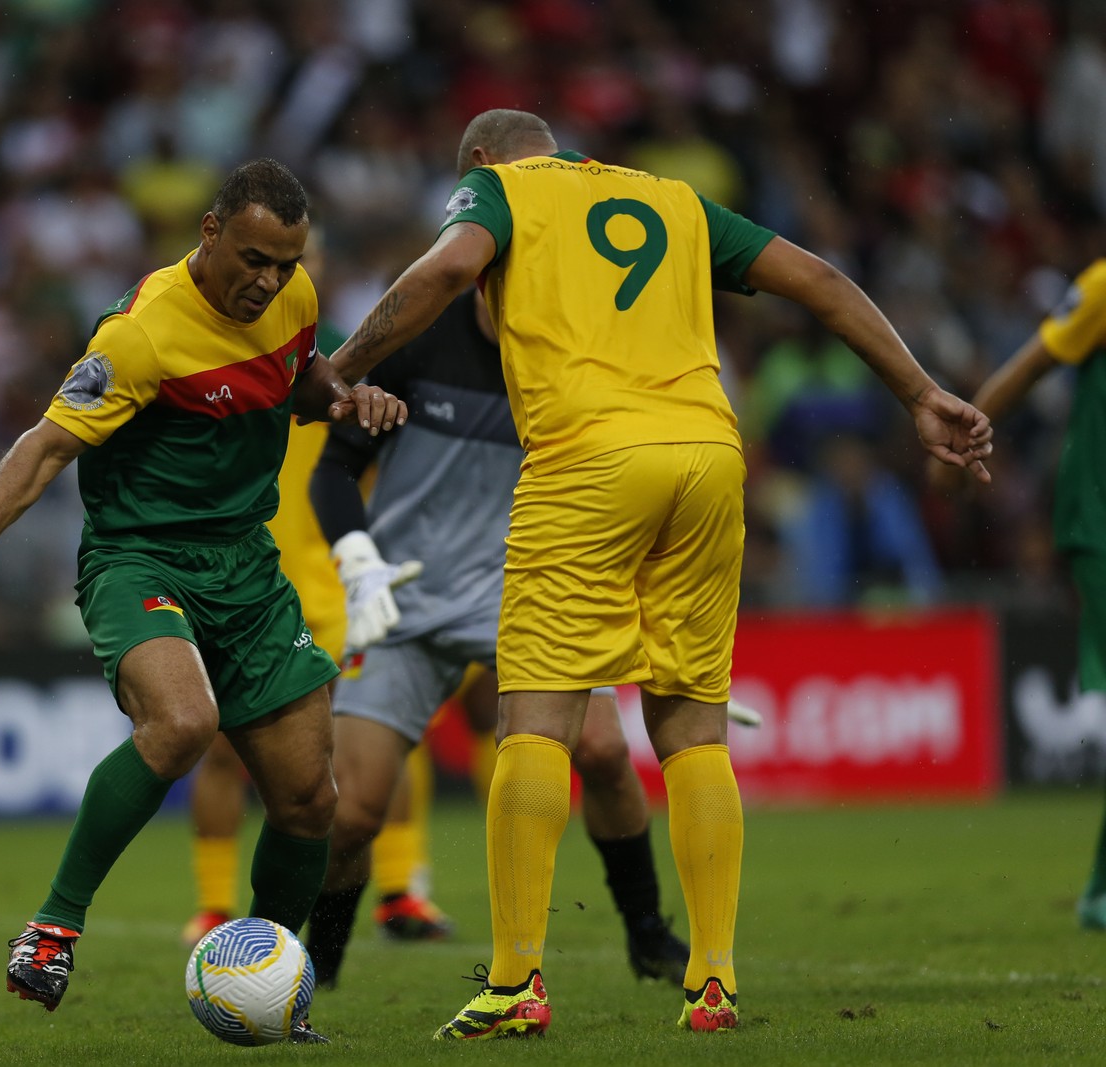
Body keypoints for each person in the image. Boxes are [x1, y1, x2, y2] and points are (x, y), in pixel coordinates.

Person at [326, 109, 993, 1038]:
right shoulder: (672, 199)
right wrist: (920, 392)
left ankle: (517, 981)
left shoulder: (501, 189)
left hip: (588, 460)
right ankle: (710, 980)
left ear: (477, 161)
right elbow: (823, 280)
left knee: (538, 719)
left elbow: (445, 268)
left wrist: (340, 367)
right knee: (691, 725)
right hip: (710, 457)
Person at [0, 159, 407, 1045]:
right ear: (209, 231)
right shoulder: (139, 337)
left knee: (309, 800)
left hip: (247, 567)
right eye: (253, 257)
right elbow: (43, 445)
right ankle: (54, 927)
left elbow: (303, 377)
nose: (268, 281)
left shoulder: (291, 302)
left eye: (285, 264)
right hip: (141, 560)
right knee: (182, 724)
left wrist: (344, 395)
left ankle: (269, 974)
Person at [302, 288, 690, 990]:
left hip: (528, 594)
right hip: (405, 600)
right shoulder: (416, 338)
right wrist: (358, 562)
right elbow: (332, 471)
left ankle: (647, 933)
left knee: (602, 748)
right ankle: (315, 970)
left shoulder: (576, 350)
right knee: (354, 811)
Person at [180, 233, 449, 949]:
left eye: (302, 262)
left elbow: (391, 470)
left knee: (379, 737)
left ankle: (399, 889)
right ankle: (212, 905)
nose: (288, 275)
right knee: (221, 748)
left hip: (339, 582)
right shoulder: (209, 350)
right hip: (245, 582)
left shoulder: (349, 365)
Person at [944, 257, 1105, 929]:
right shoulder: (1102, 287)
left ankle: (1100, 890)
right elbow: (1031, 364)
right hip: (1100, 519)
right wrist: (963, 433)